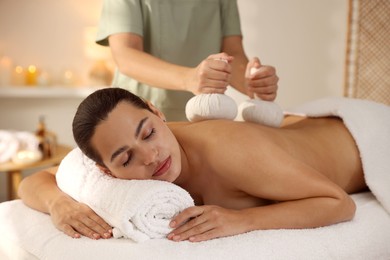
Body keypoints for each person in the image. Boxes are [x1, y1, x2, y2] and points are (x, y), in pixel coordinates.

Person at [19, 87, 369, 242]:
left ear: (158, 112)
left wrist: (242, 219)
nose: (151, 156)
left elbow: (340, 204)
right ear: (107, 172)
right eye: (127, 158)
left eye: (149, 132)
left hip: (361, 135)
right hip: (296, 131)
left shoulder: (230, 152)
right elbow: (36, 181)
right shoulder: (107, 164)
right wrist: (59, 204)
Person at [95, 0, 279, 121]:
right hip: (138, 113)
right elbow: (126, 56)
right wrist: (190, 78)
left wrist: (252, 81)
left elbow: (232, 53)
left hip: (203, 117)